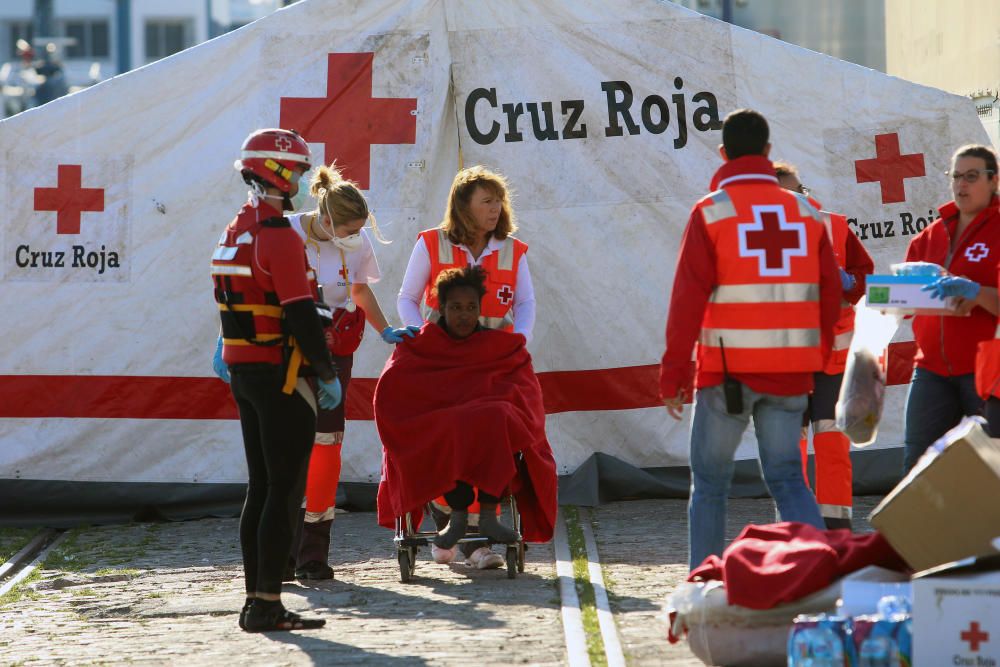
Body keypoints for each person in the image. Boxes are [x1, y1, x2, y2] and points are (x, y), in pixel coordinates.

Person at [658, 109, 842, 571]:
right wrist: (815, 358)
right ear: (767, 152)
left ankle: (705, 581)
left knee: (711, 484)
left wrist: (675, 372)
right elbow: (830, 294)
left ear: (723, 153)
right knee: (788, 478)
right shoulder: (807, 213)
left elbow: (687, 299)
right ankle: (820, 575)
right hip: (790, 375)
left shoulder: (711, 212)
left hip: (727, 375)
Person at [211, 128, 341, 632]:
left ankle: (254, 598)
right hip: (283, 377)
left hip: (245, 373)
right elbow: (300, 314)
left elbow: (237, 304)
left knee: (261, 487)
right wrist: (326, 373)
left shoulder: (234, 231)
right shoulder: (278, 236)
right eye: (300, 173)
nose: (304, 183)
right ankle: (266, 603)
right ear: (278, 171)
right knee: (285, 490)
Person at [396, 165, 536, 569]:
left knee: (494, 426)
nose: (495, 209)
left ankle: (475, 533)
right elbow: (406, 297)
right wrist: (419, 337)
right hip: (441, 364)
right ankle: (454, 522)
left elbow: (525, 304)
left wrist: (519, 342)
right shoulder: (431, 243)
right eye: (486, 201)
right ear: (463, 206)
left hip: (493, 365)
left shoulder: (513, 249)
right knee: (441, 428)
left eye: (499, 201)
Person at [286, 164, 418, 580]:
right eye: (345, 230)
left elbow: (359, 290)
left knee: (326, 447)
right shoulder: (285, 233)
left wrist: (385, 330)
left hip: (334, 355)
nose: (351, 238)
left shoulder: (356, 243)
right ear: (325, 219)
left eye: (357, 231)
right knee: (288, 450)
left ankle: (313, 556)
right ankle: (281, 555)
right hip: (287, 353)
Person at [375, 265, 558, 551]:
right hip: (441, 430)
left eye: (471, 307)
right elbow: (394, 386)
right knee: (453, 426)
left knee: (496, 417)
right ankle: (457, 516)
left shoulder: (500, 346)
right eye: (456, 307)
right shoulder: (421, 345)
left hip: (489, 426)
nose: (464, 315)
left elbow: (525, 391)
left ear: (480, 309)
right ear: (441, 308)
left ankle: (487, 514)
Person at [774, 161, 874, 530]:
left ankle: (837, 532)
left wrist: (848, 281)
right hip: (785, 361)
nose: (800, 199)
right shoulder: (756, 232)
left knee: (832, 445)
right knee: (787, 449)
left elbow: (865, 279)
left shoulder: (835, 226)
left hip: (832, 359)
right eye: (790, 193)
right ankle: (794, 528)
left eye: (799, 191)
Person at [910, 145, 1000, 450]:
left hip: (988, 373)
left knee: (990, 468)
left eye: (972, 176)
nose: (961, 185)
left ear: (994, 181)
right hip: (931, 371)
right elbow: (908, 303)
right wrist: (891, 299)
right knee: (917, 467)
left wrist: (975, 292)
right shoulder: (930, 236)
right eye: (956, 176)